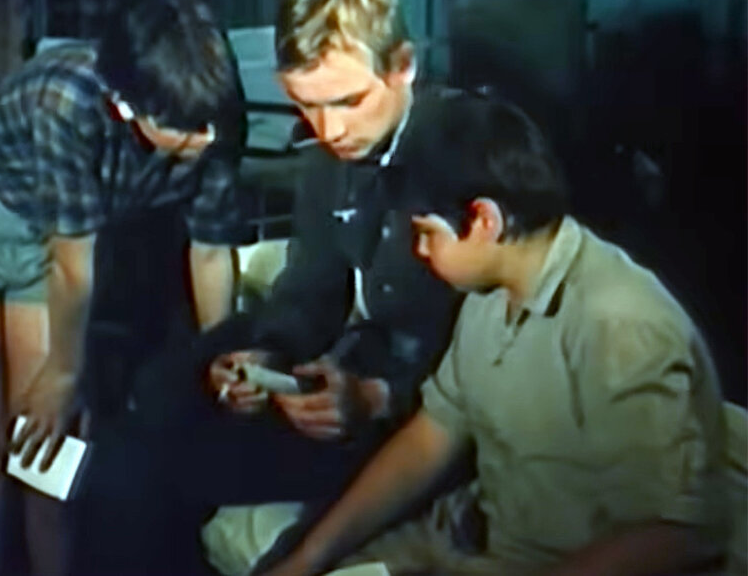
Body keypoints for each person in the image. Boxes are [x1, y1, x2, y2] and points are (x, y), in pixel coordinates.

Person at [69, 0, 462, 574]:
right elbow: (309, 291)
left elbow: (486, 356)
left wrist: (381, 395)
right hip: (341, 387)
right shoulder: (329, 158)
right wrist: (267, 356)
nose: (330, 130)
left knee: (202, 494)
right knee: (146, 424)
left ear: (402, 66)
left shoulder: (466, 154)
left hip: (421, 416)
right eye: (308, 106)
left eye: (348, 101)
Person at [261, 93, 729, 575]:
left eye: (426, 233)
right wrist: (308, 558)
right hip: (470, 539)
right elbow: (433, 434)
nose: (419, 251)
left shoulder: (619, 324)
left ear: (485, 221)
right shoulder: (489, 290)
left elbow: (675, 532)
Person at [0, 0, 247, 576]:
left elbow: (210, 251)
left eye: (212, 122)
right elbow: (75, 268)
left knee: (48, 453)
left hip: (46, 239)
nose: (207, 139)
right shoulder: (66, 102)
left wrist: (222, 356)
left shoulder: (211, 118)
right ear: (127, 107)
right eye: (186, 129)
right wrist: (62, 375)